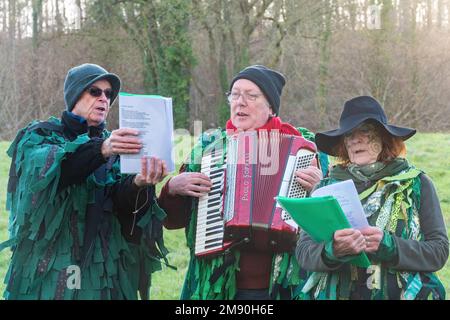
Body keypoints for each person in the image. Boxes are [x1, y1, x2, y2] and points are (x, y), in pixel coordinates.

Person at [158, 65, 328, 300]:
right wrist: (172, 188)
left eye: (251, 95)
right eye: (235, 94)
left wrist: (320, 188)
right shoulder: (209, 149)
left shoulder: (303, 149)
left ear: (270, 107)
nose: (240, 102)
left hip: (283, 288)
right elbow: (172, 221)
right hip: (219, 287)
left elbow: (327, 223)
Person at [1, 63, 169, 300]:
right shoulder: (40, 135)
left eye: (109, 94)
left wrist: (139, 183)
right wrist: (102, 149)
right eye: (95, 91)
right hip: (52, 269)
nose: (104, 98)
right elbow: (59, 171)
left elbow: (122, 206)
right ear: (74, 95)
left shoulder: (117, 145)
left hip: (104, 273)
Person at [295, 95, 449, 300]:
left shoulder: (417, 184)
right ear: (343, 144)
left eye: (365, 131)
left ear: (385, 138)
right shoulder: (326, 189)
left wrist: (389, 246)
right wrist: (333, 250)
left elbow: (438, 251)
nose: (355, 139)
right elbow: (304, 252)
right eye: (349, 134)